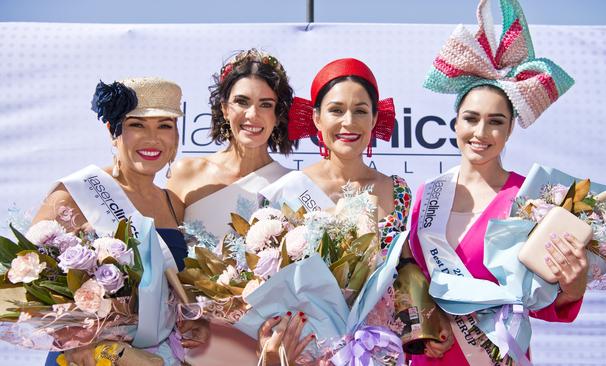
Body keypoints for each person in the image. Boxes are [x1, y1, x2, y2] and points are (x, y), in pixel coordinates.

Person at [409, 0, 587, 364]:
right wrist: (421, 328)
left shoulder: (530, 198)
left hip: (496, 354)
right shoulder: (430, 195)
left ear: (509, 130)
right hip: (434, 353)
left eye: (495, 121)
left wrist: (573, 285)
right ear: (455, 124)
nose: (481, 132)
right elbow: (411, 279)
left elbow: (547, 299)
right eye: (471, 119)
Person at [34, 77, 207, 366]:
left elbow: (176, 289)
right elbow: (24, 284)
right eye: (137, 125)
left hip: (158, 357)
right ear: (113, 130)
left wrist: (194, 321)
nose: (152, 139)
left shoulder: (174, 204)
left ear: (177, 135)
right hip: (88, 358)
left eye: (165, 125)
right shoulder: (75, 195)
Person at [258, 58, 413, 363]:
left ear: (374, 119)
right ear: (316, 117)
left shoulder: (398, 192)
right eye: (336, 110)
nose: (349, 122)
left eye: (360, 111)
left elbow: (407, 275)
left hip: (378, 351)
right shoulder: (288, 192)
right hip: (309, 350)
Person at [167, 49, 296, 365]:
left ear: (277, 114)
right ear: (224, 108)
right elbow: (164, 259)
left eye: (265, 104)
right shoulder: (187, 175)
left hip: (256, 345)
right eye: (242, 102)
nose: (253, 115)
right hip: (190, 341)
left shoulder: (293, 186)